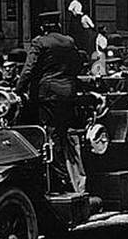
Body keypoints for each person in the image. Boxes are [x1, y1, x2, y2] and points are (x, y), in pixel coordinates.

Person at [15, 11, 86, 194]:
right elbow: (77, 65)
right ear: (57, 25)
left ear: (42, 27)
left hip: (47, 95)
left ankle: (58, 180)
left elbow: (29, 69)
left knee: (48, 136)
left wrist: (17, 89)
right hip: (68, 94)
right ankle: (71, 176)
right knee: (63, 134)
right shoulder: (69, 42)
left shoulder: (40, 42)